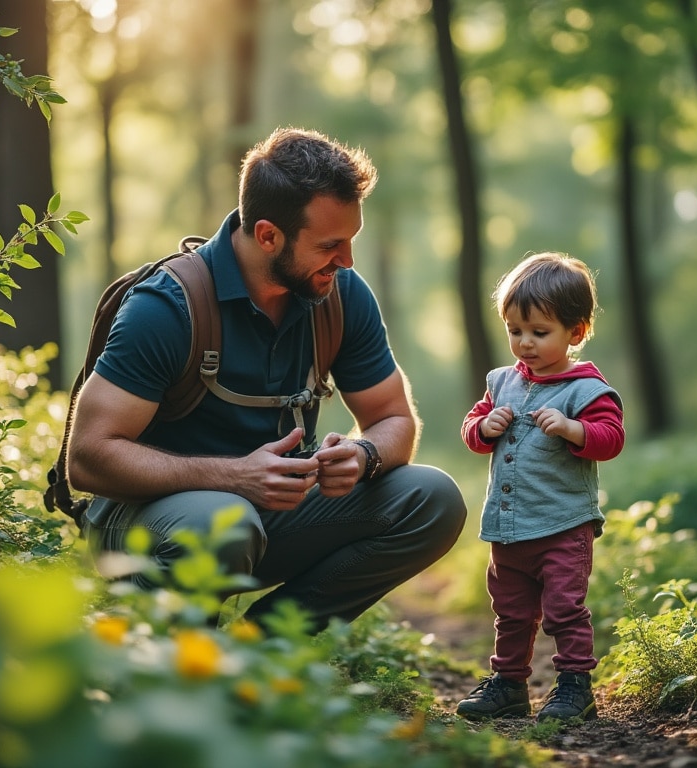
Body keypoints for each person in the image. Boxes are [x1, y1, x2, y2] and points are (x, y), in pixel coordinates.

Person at [67, 127, 467, 632]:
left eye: (350, 241)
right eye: (330, 245)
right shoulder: (166, 307)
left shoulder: (341, 295)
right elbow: (87, 458)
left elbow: (393, 418)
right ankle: (179, 667)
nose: (347, 261)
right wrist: (232, 476)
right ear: (267, 235)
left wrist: (364, 456)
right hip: (147, 523)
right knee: (224, 524)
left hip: (268, 514)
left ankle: (260, 652)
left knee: (433, 499)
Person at [455, 252, 624, 723]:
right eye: (515, 331)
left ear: (576, 331)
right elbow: (471, 430)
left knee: (564, 610)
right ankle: (509, 683)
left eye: (539, 332)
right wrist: (485, 427)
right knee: (510, 610)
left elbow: (611, 439)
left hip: (563, 527)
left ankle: (575, 685)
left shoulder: (586, 389)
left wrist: (572, 429)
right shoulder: (501, 382)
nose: (524, 343)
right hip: (508, 529)